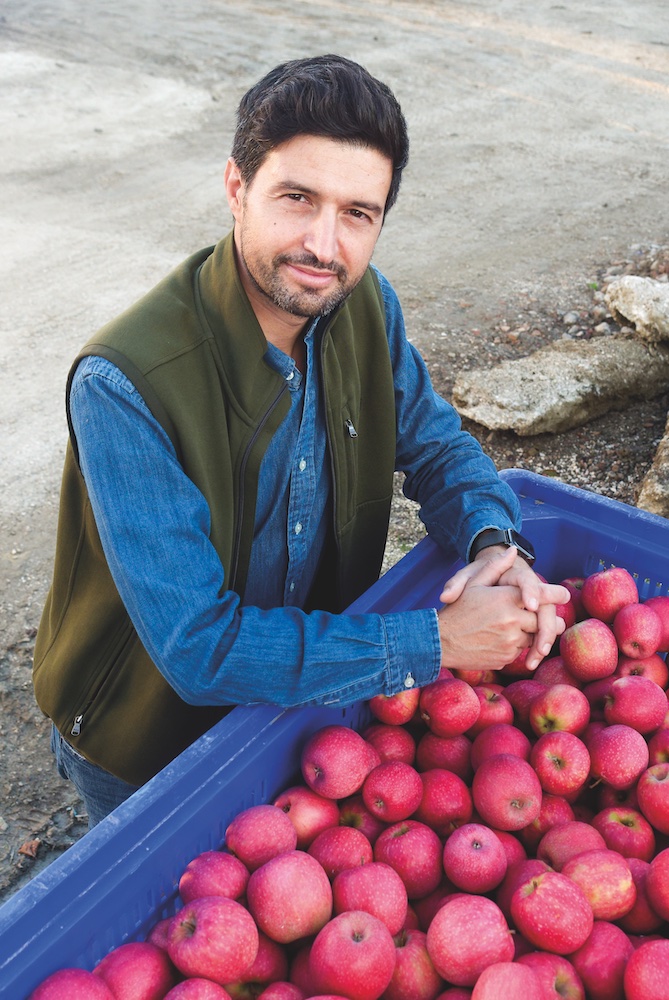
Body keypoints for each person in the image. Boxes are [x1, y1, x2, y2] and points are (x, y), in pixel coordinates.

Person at [33, 54, 569, 826]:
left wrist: (493, 542)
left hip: (306, 698)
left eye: (358, 213)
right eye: (297, 198)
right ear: (236, 188)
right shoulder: (125, 383)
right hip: (146, 739)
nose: (324, 244)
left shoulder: (364, 308)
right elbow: (197, 648)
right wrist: (434, 641)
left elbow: (437, 446)